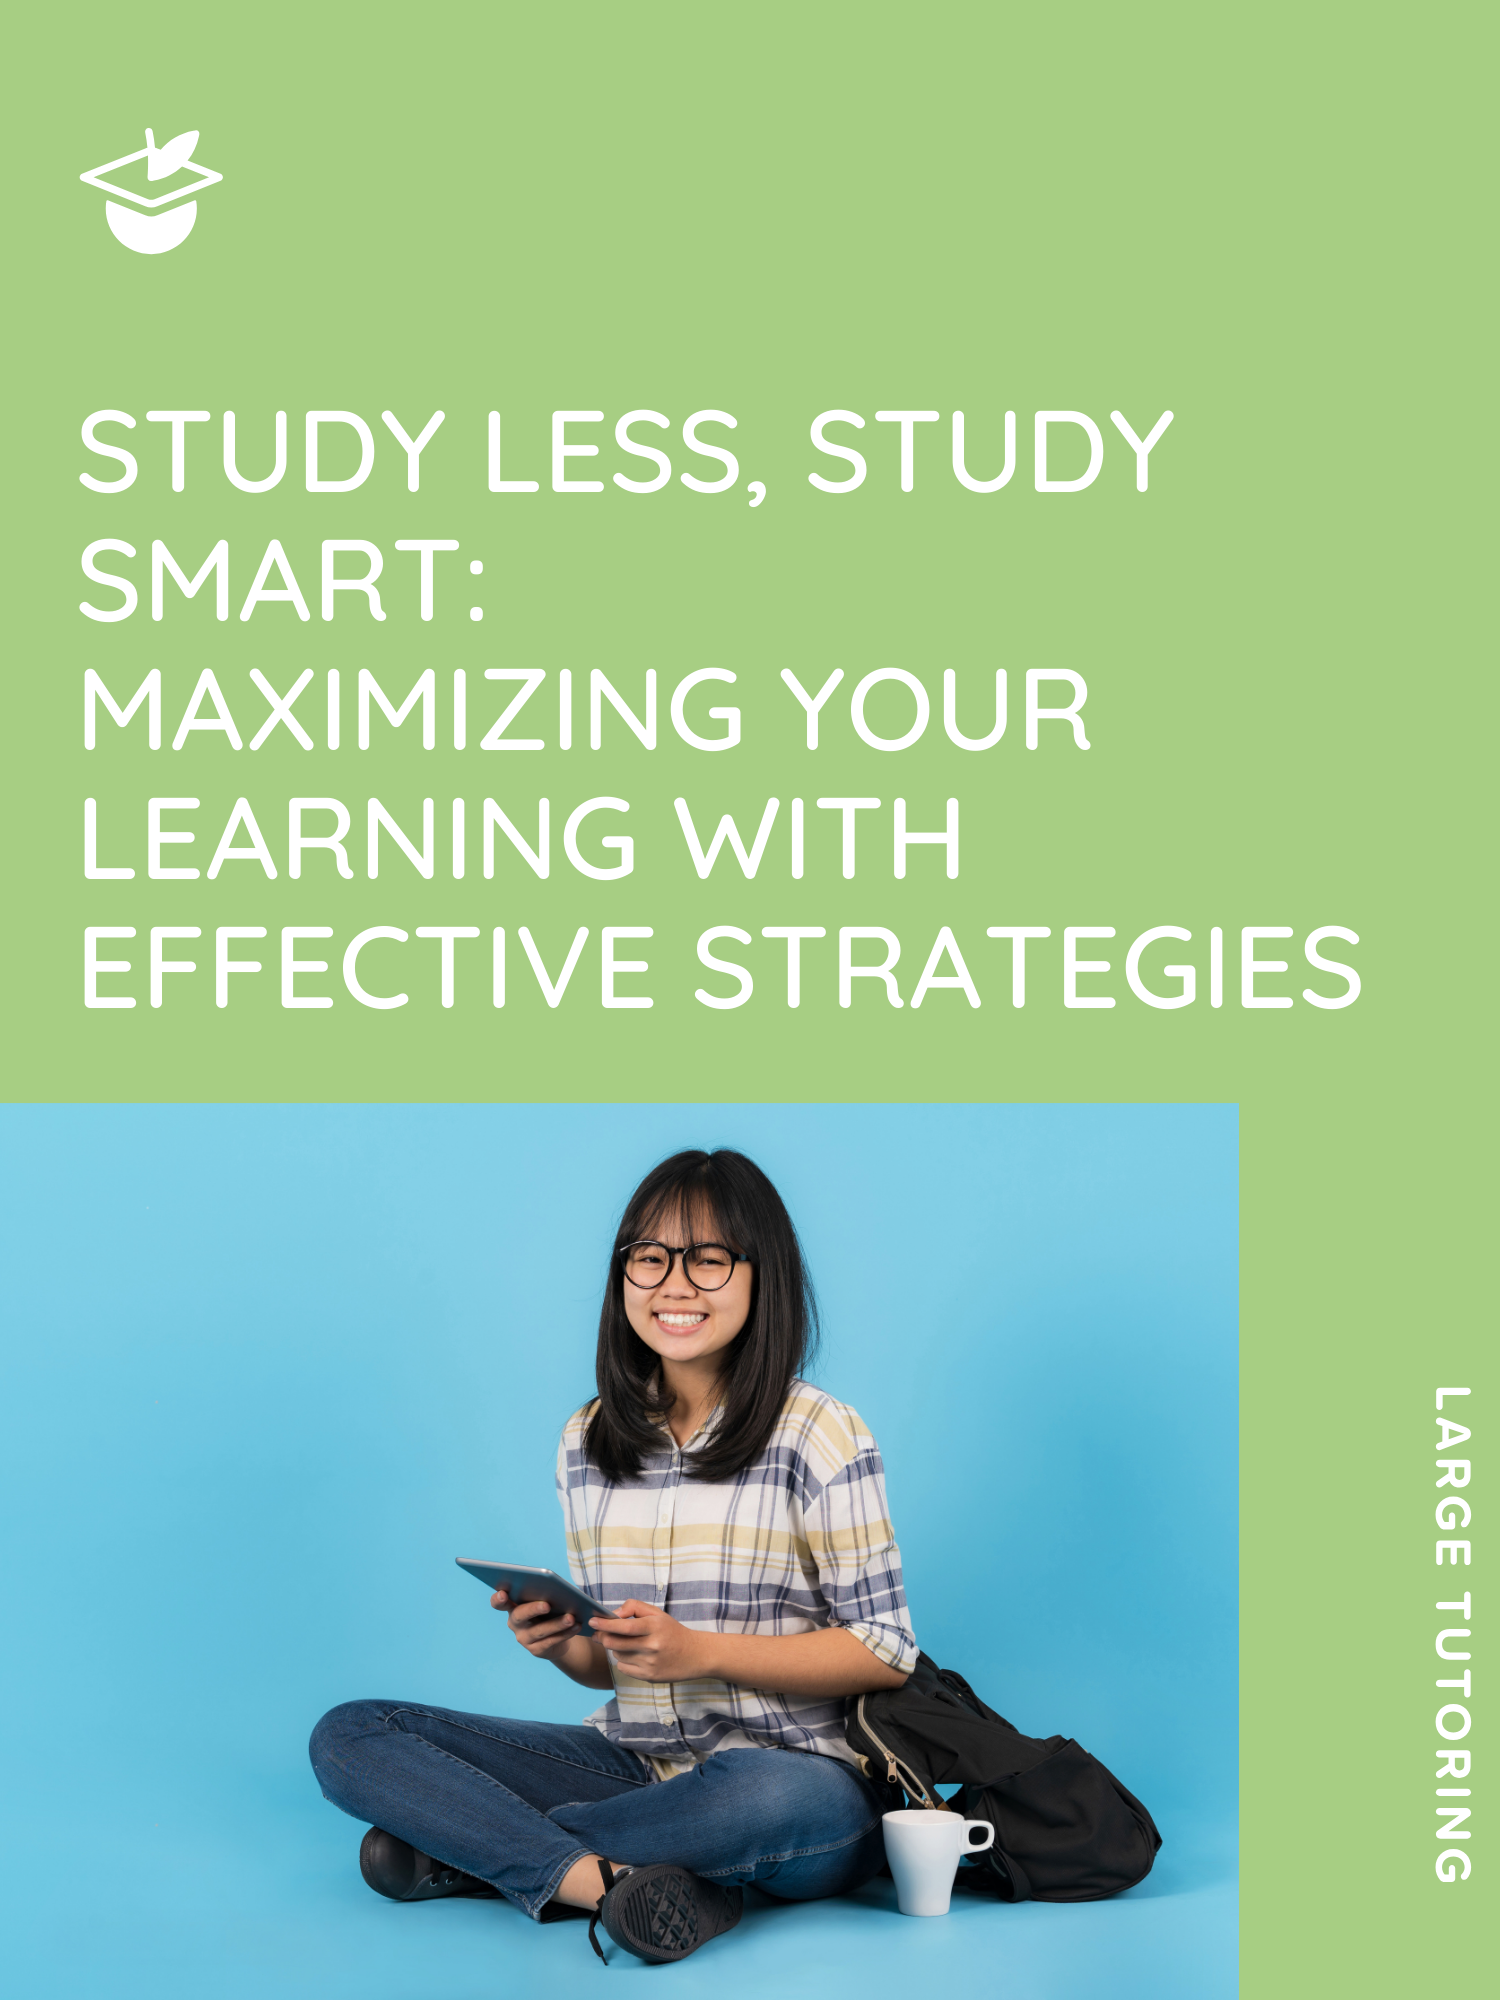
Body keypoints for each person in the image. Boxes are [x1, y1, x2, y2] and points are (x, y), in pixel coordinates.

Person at [309, 1147, 917, 1964]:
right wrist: (569, 1646)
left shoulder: (820, 1434)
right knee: (352, 1733)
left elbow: (884, 1651)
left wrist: (700, 1652)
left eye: (708, 1259)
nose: (675, 1285)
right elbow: (619, 1671)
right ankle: (603, 1880)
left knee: (765, 1795)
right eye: (650, 1257)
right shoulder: (588, 1440)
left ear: (761, 1274)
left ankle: (476, 1848)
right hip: (635, 1769)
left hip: (800, 1783)